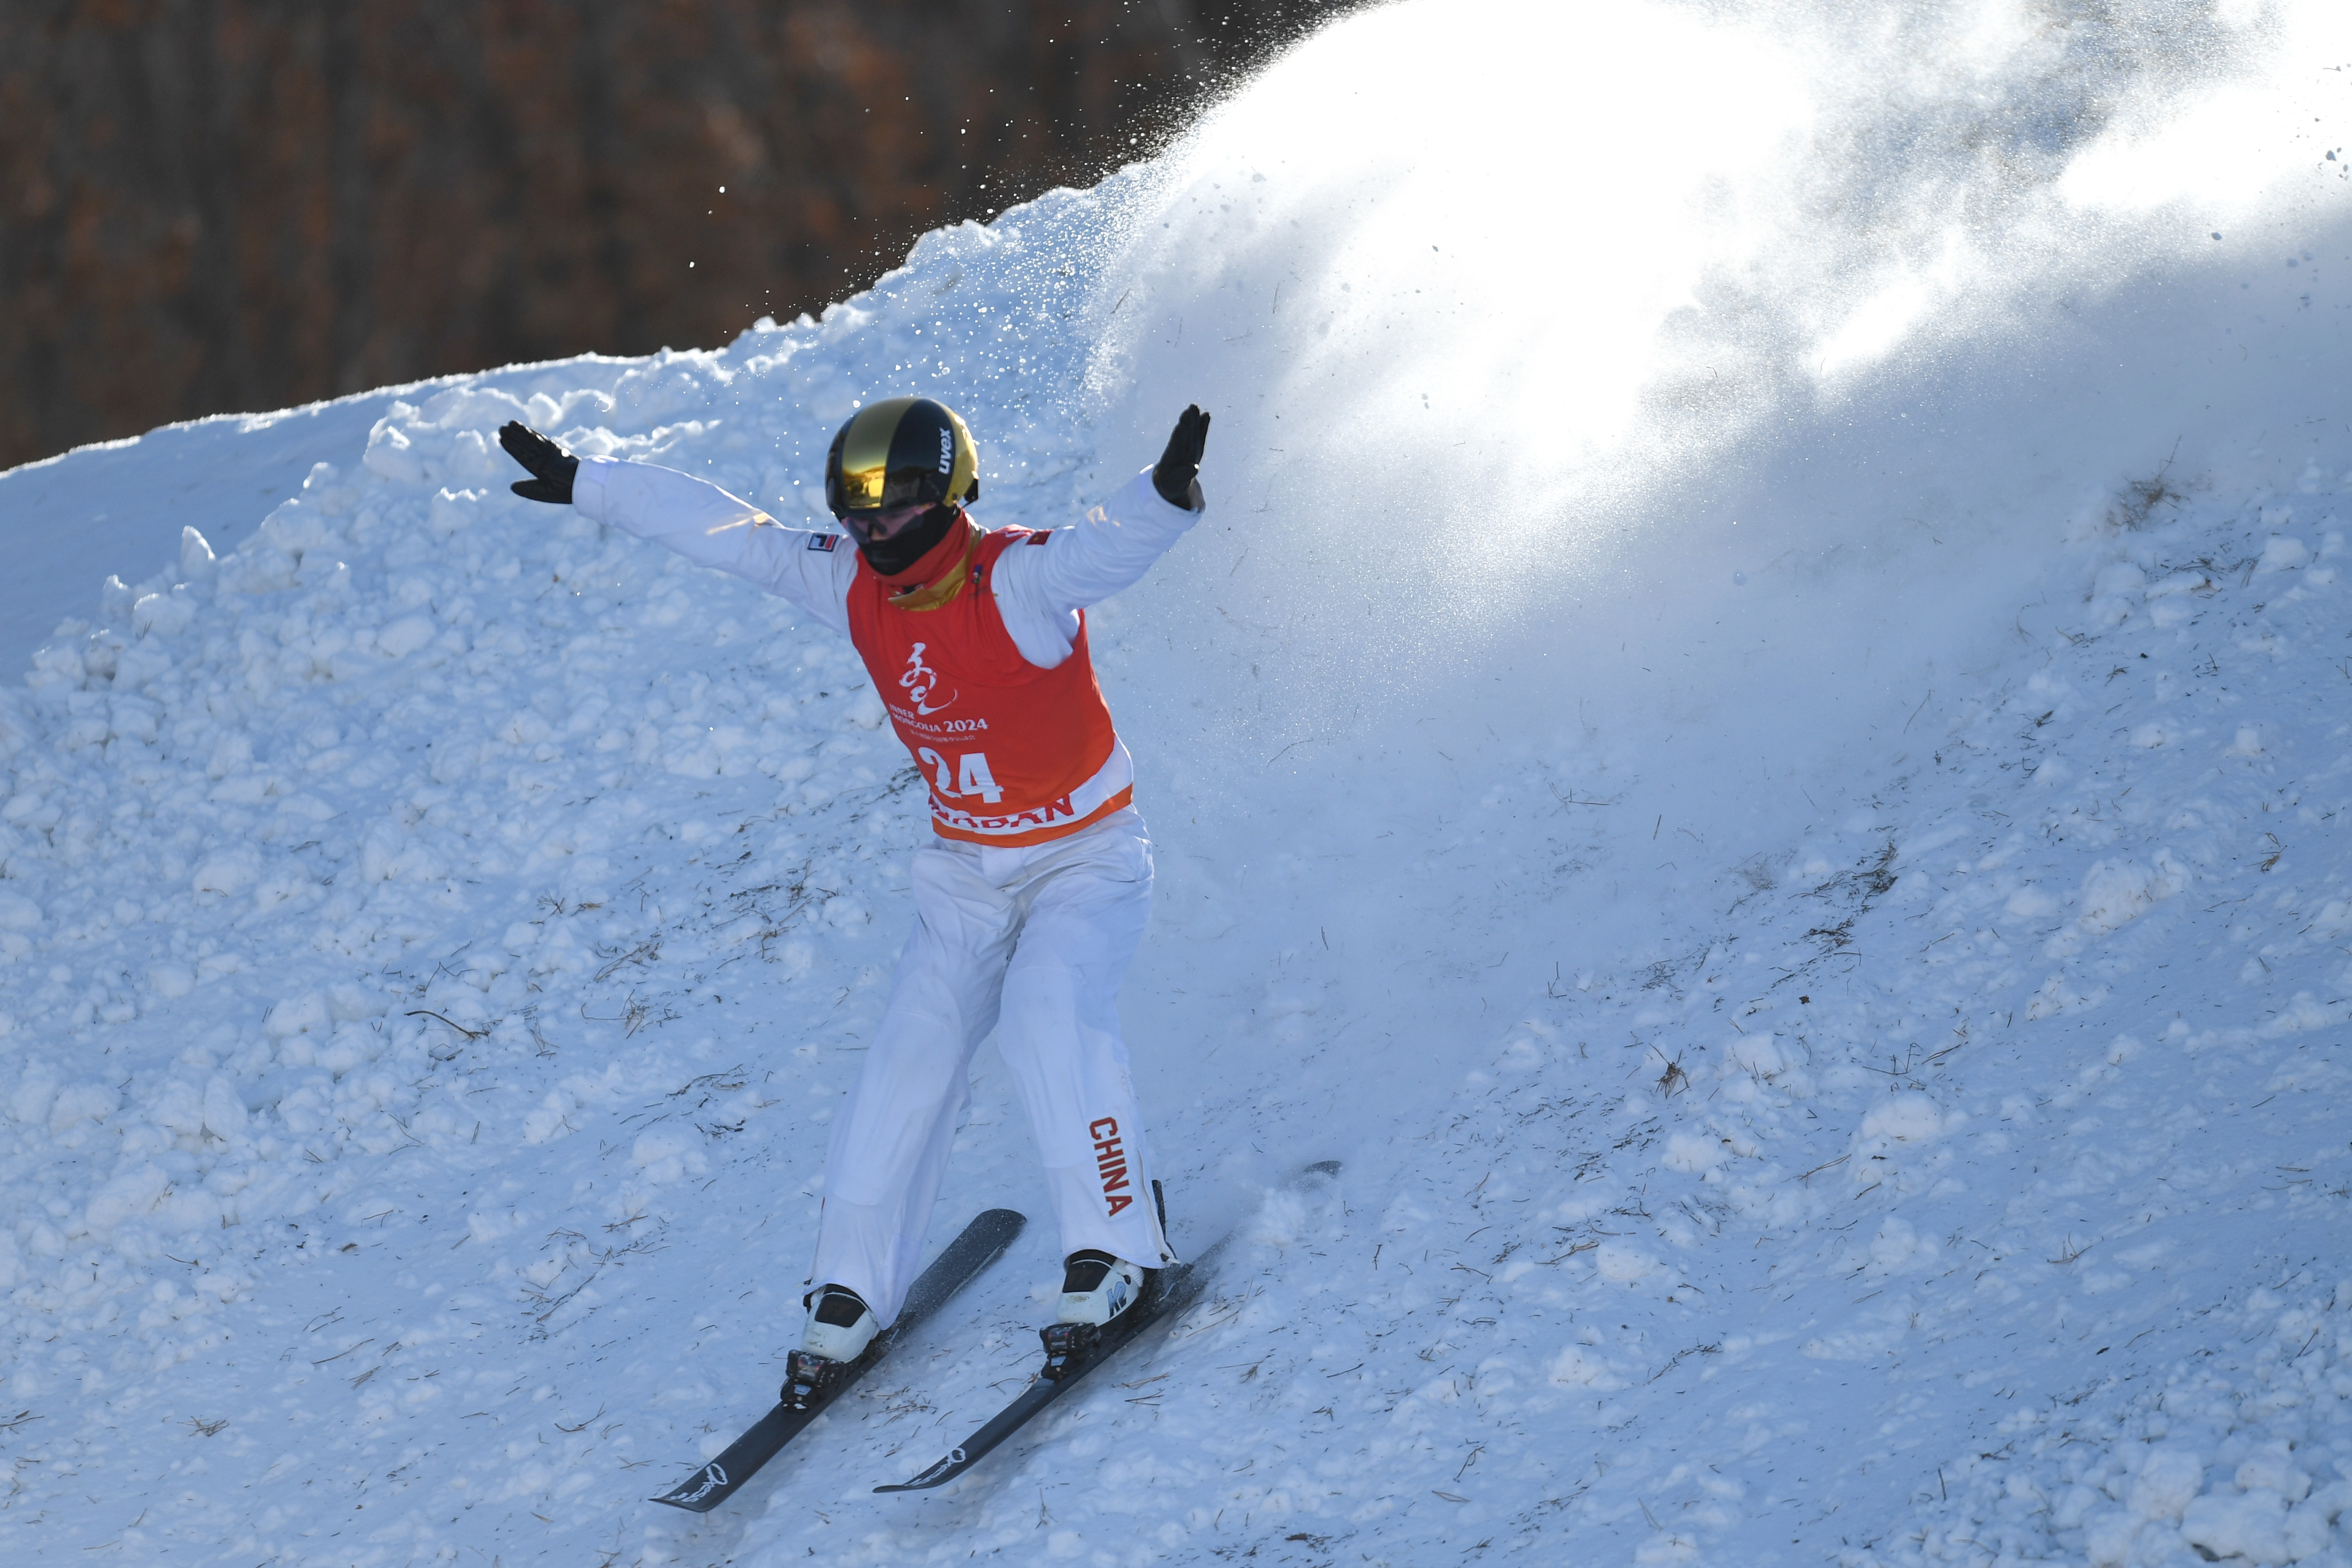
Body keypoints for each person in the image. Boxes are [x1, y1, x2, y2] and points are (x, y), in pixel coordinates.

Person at [498, 397, 1210, 1396]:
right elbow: (727, 533)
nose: (871, 534)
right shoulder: (849, 581)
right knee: (905, 1061)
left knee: (1049, 1018)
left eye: (893, 511)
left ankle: (1117, 1251)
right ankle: (848, 1291)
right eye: (856, 514)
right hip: (964, 874)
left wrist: (1166, 494)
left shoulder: (1015, 578)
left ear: (949, 496)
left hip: (1083, 860)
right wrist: (589, 482)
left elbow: (1104, 549)